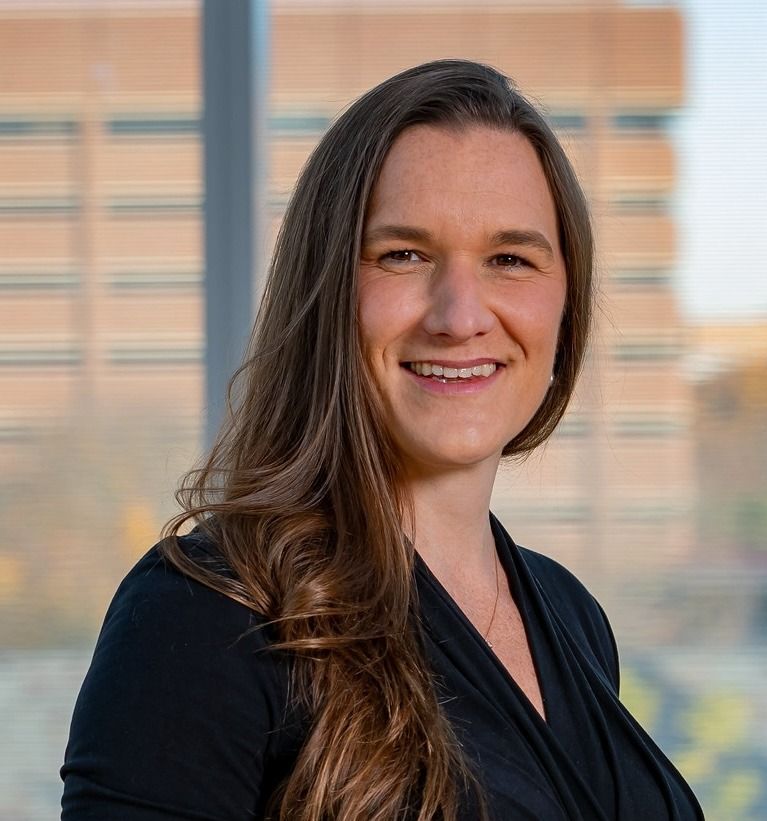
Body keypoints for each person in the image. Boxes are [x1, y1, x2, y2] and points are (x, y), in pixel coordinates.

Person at [60, 59, 704, 820]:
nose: (459, 314)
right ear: (328, 289)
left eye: (510, 259)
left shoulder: (570, 614)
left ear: (565, 300)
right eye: (403, 254)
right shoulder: (205, 613)